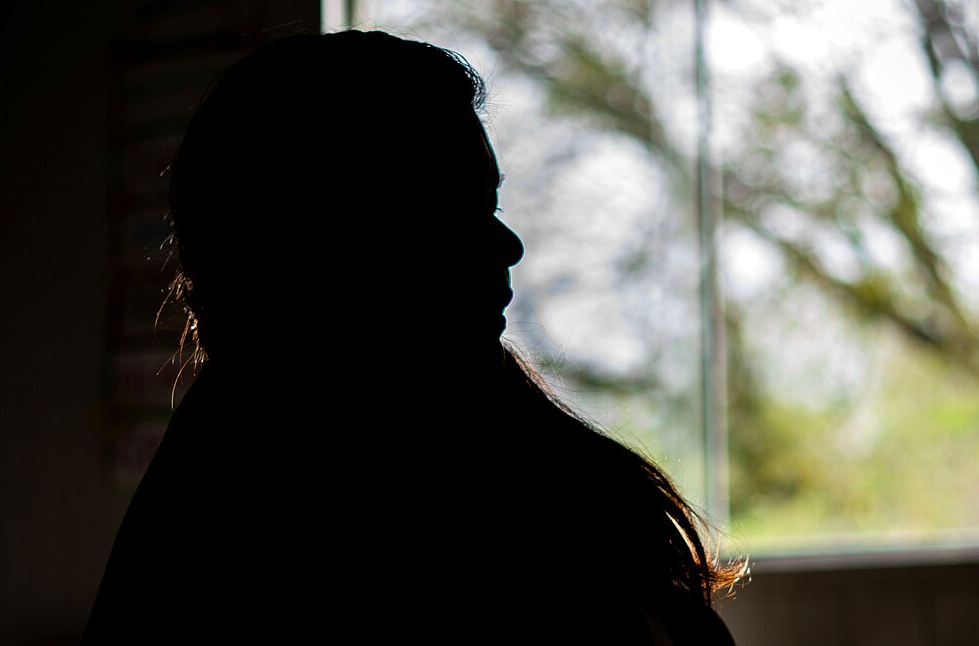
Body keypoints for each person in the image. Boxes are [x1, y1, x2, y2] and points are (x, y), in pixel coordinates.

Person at [83, 30, 740, 643]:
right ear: (328, 241)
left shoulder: (481, 450)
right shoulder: (263, 517)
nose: (507, 244)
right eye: (453, 210)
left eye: (491, 205)